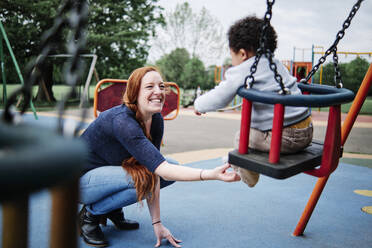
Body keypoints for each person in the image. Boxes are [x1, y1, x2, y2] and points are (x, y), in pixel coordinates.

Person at [79, 66, 240, 248]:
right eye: (149, 87)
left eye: (161, 86)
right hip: (79, 181)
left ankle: (112, 209)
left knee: (166, 168)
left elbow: (155, 170)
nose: (158, 91)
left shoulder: (155, 119)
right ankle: (90, 215)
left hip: (106, 176)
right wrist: (211, 174)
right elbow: (158, 170)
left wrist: (157, 223)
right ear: (134, 92)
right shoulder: (122, 121)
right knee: (153, 174)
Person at [194, 16, 313, 188]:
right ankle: (239, 160)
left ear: (242, 54)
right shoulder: (276, 64)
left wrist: (199, 104)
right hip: (307, 131)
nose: (232, 61)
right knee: (252, 133)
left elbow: (220, 96)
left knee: (242, 137)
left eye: (231, 55)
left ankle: (247, 175)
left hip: (284, 137)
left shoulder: (245, 69)